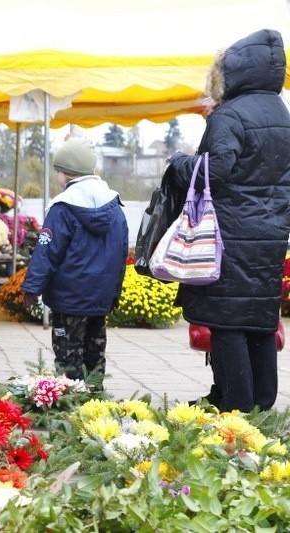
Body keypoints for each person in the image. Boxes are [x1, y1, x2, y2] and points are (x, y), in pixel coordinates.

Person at [168, 29, 290, 412]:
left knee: (226, 321)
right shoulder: (281, 113)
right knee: (257, 317)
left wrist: (179, 163)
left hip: (230, 233)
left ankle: (235, 406)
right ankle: (260, 402)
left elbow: (214, 171)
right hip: (271, 233)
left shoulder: (232, 115)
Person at [21, 137, 128, 390]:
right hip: (100, 297)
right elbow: (121, 254)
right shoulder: (114, 207)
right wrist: (115, 293)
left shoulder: (63, 208)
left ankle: (70, 400)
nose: (57, 175)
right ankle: (94, 400)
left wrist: (31, 287)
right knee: (95, 350)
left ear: (67, 173)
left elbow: (47, 251)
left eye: (58, 170)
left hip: (69, 298)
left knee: (68, 353)